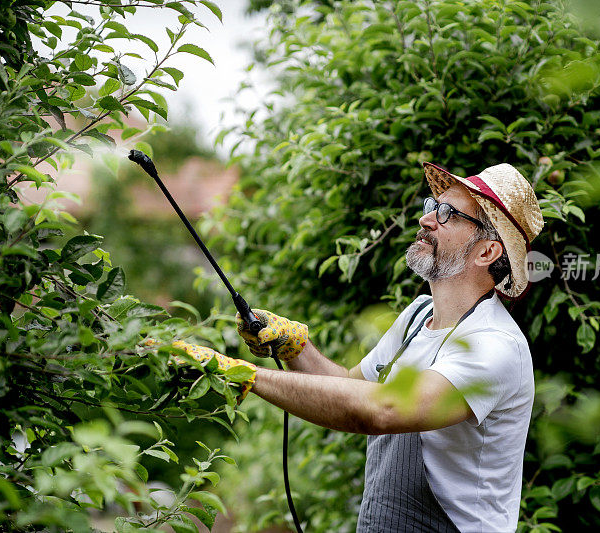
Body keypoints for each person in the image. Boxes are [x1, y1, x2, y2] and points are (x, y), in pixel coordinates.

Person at [167, 162, 544, 532]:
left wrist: (240, 375)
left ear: (487, 253)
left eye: (447, 214)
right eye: (432, 207)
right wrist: (295, 348)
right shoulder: (417, 316)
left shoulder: (494, 346)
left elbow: (381, 410)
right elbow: (352, 385)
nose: (426, 220)